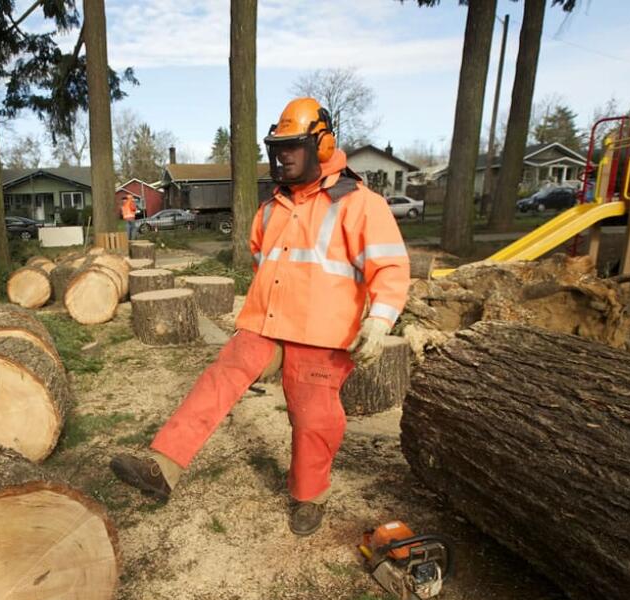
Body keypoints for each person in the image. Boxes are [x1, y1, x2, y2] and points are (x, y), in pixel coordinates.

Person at [110, 97, 410, 536]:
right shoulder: (273, 207)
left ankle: (309, 497)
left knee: (313, 417)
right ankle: (163, 466)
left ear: (322, 147)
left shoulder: (359, 204)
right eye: (279, 147)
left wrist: (380, 320)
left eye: (293, 147)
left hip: (323, 335)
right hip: (267, 324)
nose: (283, 156)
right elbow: (262, 264)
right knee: (219, 379)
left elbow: (390, 266)